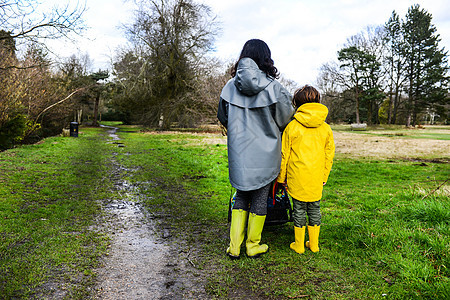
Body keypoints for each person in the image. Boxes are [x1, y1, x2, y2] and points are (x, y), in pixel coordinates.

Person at [217, 39, 294, 259]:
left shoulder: (229, 86)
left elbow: (223, 116)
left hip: (239, 151)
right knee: (261, 195)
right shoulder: (275, 88)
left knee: (241, 193)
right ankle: (253, 245)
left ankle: (234, 246)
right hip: (267, 152)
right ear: (266, 58)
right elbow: (286, 119)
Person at [277, 85, 335, 254]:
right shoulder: (325, 128)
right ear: (318, 101)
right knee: (315, 208)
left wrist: (281, 179)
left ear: (297, 103)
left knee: (299, 209)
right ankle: (314, 244)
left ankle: (299, 245)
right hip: (316, 177)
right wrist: (324, 176)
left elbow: (284, 155)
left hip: (296, 177)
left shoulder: (292, 127)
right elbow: (328, 155)